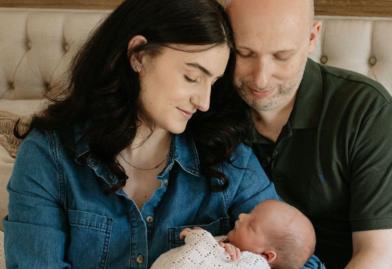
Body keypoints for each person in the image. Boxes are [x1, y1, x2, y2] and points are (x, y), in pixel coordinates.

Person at [3, 0, 280, 268]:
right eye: (192, 77)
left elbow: (297, 260)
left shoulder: (228, 159)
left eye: (214, 82)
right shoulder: (48, 156)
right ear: (139, 55)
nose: (204, 102)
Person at [224, 0, 392, 268]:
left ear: (312, 37)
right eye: (245, 53)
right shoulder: (210, 105)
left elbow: (377, 257)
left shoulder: (365, 108)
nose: (261, 78)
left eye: (281, 56)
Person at [151, 200, 316, 269]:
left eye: (251, 225)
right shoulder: (233, 249)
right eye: (250, 212)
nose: (242, 216)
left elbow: (202, 252)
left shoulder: (254, 265)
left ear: (265, 256)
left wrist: (197, 236)